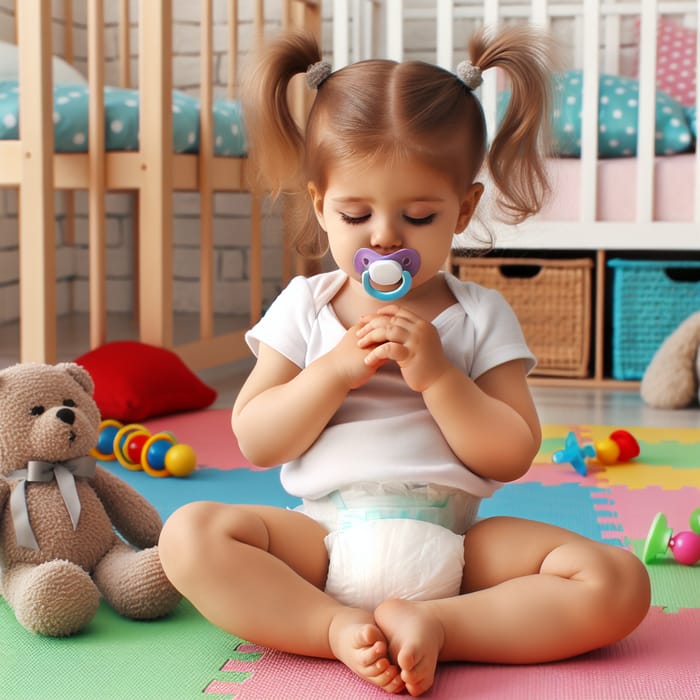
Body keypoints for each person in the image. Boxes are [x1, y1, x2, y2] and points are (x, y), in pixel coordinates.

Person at [159, 26, 651, 697]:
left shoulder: (479, 316)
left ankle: (441, 624)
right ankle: (332, 628)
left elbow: (509, 454)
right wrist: (332, 372)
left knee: (619, 582)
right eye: (356, 213)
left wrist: (439, 377)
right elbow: (256, 439)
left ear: (463, 209)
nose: (385, 237)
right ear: (320, 206)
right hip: (323, 536)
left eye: (419, 216)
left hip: (457, 540)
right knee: (189, 534)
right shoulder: (306, 306)